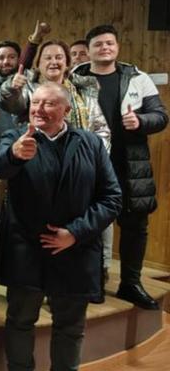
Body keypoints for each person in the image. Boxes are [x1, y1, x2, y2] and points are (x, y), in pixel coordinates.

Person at [0, 83, 122, 371]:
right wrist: (14, 156)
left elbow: (112, 198)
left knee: (70, 330)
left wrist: (75, 233)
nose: (39, 109)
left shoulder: (90, 143)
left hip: (75, 252)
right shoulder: (16, 138)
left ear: (65, 110)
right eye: (35, 103)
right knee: (20, 324)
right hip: (26, 251)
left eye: (49, 104)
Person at [73, 24, 168, 309]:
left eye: (110, 43)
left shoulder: (138, 78)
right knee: (87, 224)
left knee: (135, 225)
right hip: (87, 163)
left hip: (130, 163)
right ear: (88, 51)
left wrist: (141, 122)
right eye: (98, 44)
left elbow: (161, 116)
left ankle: (130, 284)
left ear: (117, 46)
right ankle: (91, 283)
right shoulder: (74, 78)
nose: (105, 48)